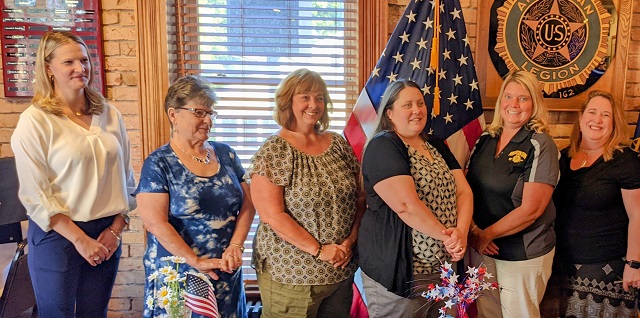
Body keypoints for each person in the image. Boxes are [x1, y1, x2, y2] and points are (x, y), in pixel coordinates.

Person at [10, 31, 135, 317]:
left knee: (95, 313)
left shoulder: (109, 114)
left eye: (84, 60)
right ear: (48, 69)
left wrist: (116, 229)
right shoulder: (35, 121)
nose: (80, 68)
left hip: (105, 232)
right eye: (69, 62)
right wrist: (80, 240)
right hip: (58, 235)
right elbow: (35, 194)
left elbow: (126, 180)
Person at [135, 75, 255, 318]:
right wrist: (195, 261)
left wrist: (236, 245)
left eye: (211, 113)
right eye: (199, 112)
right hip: (179, 273)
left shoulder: (226, 154)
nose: (208, 120)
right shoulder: (159, 163)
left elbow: (249, 203)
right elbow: (155, 223)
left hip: (225, 269)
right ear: (173, 115)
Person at [249, 69, 364, 318]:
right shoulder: (274, 150)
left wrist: (350, 241)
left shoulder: (337, 143)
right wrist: (320, 250)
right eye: (305, 97)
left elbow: (360, 198)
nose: (314, 104)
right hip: (291, 276)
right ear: (287, 102)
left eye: (319, 98)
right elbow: (272, 215)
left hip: (340, 271)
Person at [358, 80, 472, 318]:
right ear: (390, 113)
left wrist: (461, 232)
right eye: (407, 105)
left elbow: (464, 191)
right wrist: (449, 238)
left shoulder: (435, 144)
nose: (416, 110)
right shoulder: (384, 145)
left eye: (420, 103)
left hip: (441, 268)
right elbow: (406, 206)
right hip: (401, 271)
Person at [465, 70, 560, 318]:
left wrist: (486, 234)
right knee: (487, 314)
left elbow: (532, 210)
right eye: (508, 96)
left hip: (522, 253)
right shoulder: (485, 139)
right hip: (483, 249)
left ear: (534, 103)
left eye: (523, 98)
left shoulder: (540, 143)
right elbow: (467, 190)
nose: (513, 104)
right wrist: (475, 231)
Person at [553, 90, 640, 317]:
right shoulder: (563, 158)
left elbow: (639, 216)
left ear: (614, 123)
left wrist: (633, 264)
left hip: (609, 269)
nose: (597, 120)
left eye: (606, 115)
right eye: (592, 112)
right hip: (567, 267)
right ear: (581, 118)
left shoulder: (625, 161)